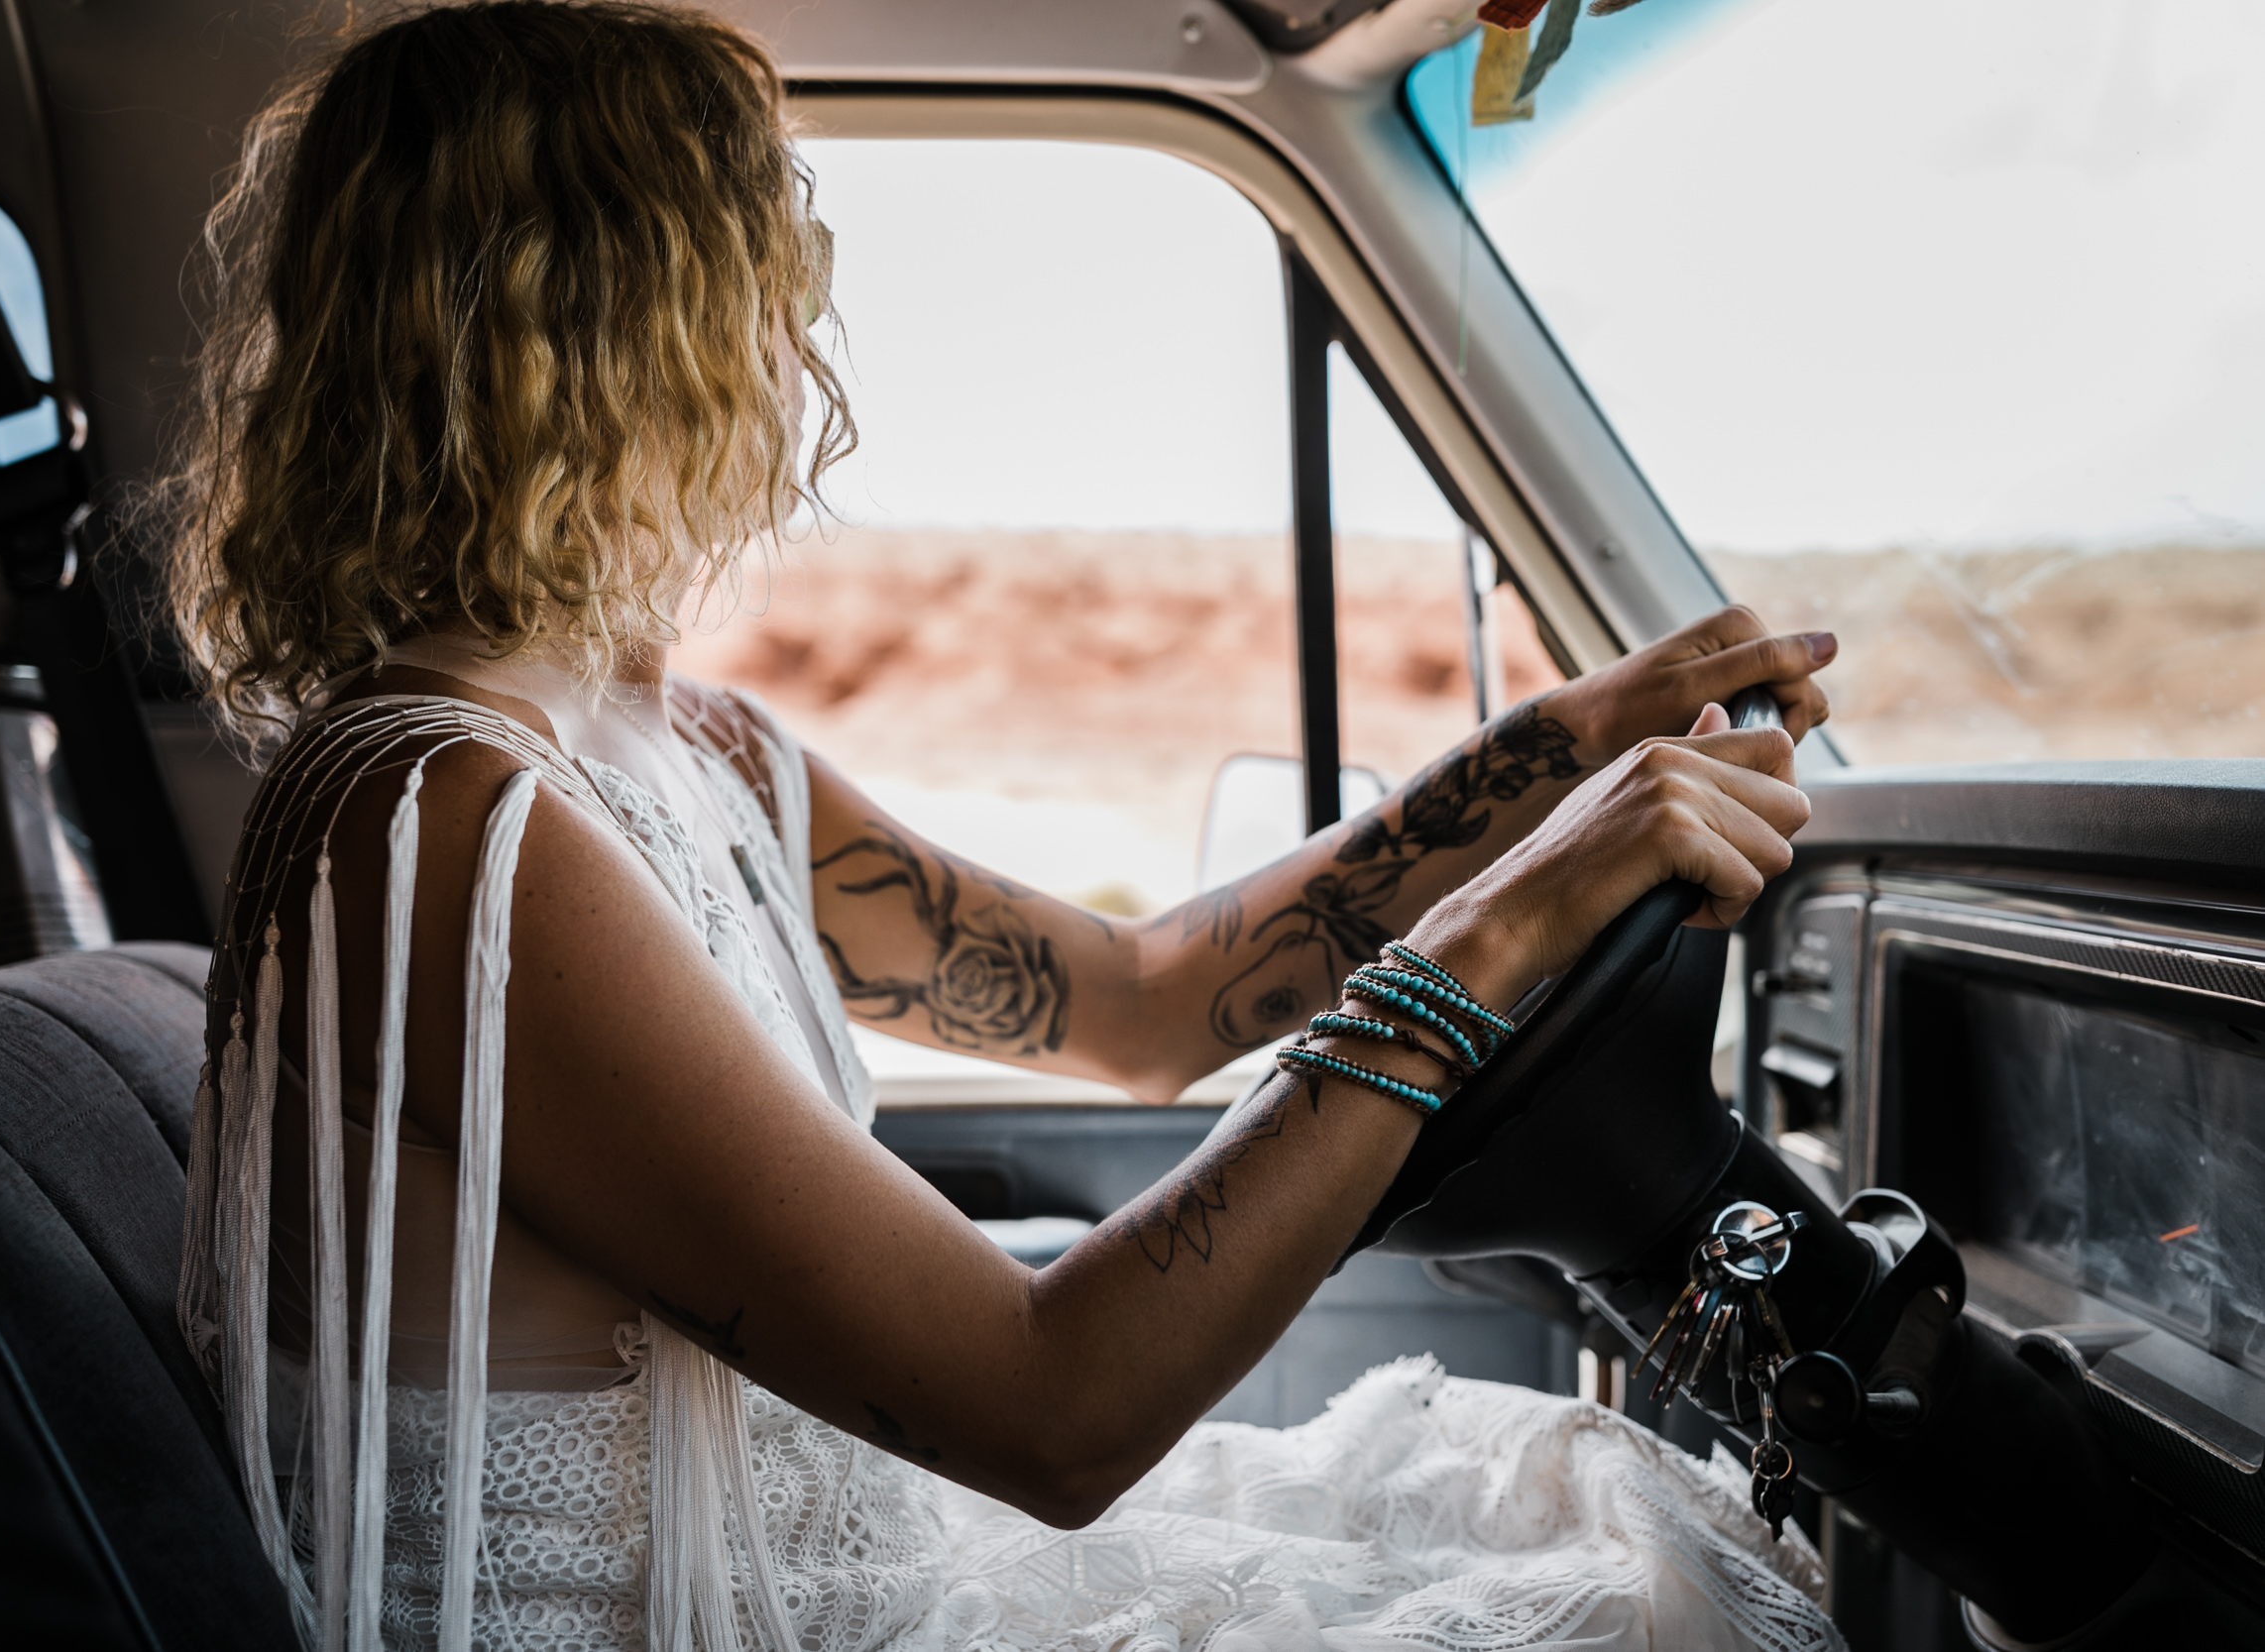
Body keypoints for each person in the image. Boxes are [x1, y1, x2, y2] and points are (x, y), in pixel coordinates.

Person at [159, 6, 1842, 1650]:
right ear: (612, 324)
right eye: (759, 272)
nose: (794, 344)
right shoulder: (439, 821)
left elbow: (1138, 1001)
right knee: (1630, 1597)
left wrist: (1551, 753)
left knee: (1562, 1510)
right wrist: (1505, 929)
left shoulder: (700, 753)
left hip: (877, 1569)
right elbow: (1055, 1415)